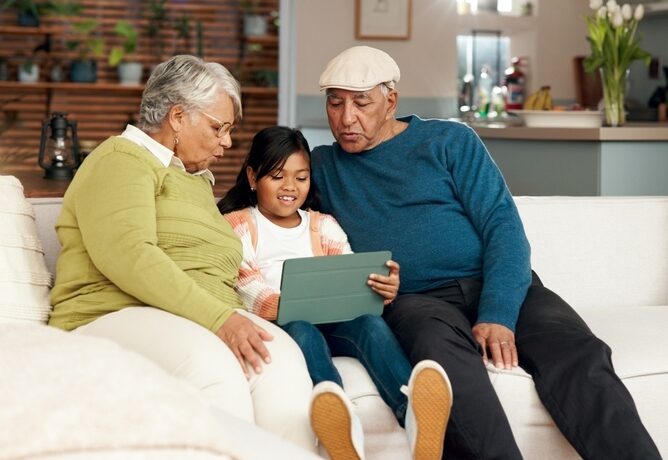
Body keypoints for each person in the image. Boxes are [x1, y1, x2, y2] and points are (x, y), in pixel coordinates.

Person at [310, 46, 662, 460]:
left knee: (579, 354)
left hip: (500, 285)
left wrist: (497, 312)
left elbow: (503, 226)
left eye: (361, 103)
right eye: (335, 103)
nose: (346, 118)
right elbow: (259, 201)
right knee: (447, 368)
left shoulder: (449, 140)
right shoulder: (322, 166)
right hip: (415, 301)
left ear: (391, 101)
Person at [48, 55, 317, 453]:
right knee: (212, 367)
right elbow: (129, 253)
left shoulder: (193, 182)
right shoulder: (121, 158)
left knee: (284, 367)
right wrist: (219, 318)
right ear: (177, 116)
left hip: (199, 316)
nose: (227, 142)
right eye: (217, 127)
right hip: (110, 313)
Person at [217, 125, 452, 460]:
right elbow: (247, 284)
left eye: (301, 178)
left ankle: (412, 411)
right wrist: (292, 303)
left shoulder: (323, 224)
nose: (290, 187)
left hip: (332, 317)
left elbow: (349, 273)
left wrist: (379, 287)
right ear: (253, 178)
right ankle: (338, 417)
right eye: (278, 176)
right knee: (303, 329)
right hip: (283, 323)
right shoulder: (239, 224)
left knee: (370, 326)